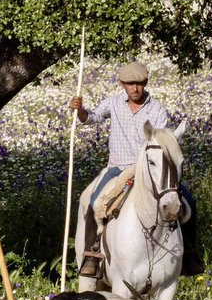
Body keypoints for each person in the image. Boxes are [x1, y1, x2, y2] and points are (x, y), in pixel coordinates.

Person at [69, 61, 204, 278]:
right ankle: (92, 255)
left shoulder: (156, 109)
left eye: (139, 83)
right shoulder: (114, 103)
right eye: (130, 84)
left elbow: (161, 141)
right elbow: (92, 117)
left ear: (145, 83)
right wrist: (80, 111)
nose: (135, 88)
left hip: (147, 170)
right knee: (94, 202)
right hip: (117, 167)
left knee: (189, 202)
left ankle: (189, 254)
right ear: (122, 84)